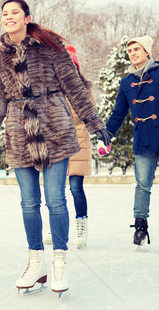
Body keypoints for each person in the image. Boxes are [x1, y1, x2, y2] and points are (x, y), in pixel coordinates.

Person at [0, 0, 111, 295]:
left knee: (56, 200)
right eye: (4, 13)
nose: (8, 17)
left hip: (55, 130)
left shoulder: (51, 49)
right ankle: (35, 262)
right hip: (18, 133)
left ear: (27, 18)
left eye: (14, 12)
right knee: (28, 203)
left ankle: (59, 261)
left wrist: (94, 122)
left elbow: (75, 88)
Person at [102, 35, 159, 251]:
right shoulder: (127, 82)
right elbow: (118, 113)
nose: (132, 53)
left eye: (136, 49)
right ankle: (140, 227)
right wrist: (105, 136)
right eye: (129, 51)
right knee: (142, 186)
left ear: (147, 51)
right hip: (143, 140)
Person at [65, 45, 94, 249]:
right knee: (54, 190)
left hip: (78, 143)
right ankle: (58, 226)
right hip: (56, 143)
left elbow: (91, 115)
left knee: (75, 188)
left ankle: (81, 223)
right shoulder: (51, 87)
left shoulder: (84, 90)